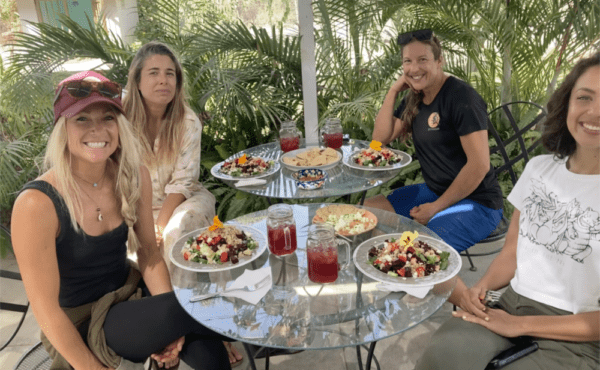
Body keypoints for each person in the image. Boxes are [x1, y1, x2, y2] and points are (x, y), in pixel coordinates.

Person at [11, 70, 232, 370]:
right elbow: (46, 312)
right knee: (199, 307)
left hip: (130, 297)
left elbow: (149, 255)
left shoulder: (132, 176)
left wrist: (173, 330)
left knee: (208, 352)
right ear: (62, 129)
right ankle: (267, 313)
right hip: (84, 324)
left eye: (108, 118)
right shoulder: (37, 204)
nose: (97, 130)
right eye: (82, 119)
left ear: (120, 126)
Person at [416, 52, 600, 369]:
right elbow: (512, 252)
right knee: (441, 355)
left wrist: (519, 326)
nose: (594, 111)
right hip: (511, 303)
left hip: (578, 334)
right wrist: (481, 289)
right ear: (568, 102)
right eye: (585, 97)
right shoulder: (541, 169)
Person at [122, 42, 243, 367]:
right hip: (134, 206)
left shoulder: (187, 121)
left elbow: (182, 183)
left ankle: (186, 328)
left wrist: (159, 226)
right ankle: (189, 331)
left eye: (170, 74)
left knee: (177, 234)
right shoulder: (118, 118)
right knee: (136, 246)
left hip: (182, 199)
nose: (163, 80)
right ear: (136, 80)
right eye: (154, 73)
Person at [365, 29, 504, 253]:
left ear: (440, 61)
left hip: (477, 202)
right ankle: (388, 263)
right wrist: (393, 91)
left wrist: (436, 207)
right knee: (368, 210)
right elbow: (378, 142)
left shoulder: (461, 98)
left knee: (418, 248)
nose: (414, 68)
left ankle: (411, 269)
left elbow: (480, 165)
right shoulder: (416, 96)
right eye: (407, 61)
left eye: (423, 60)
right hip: (435, 191)